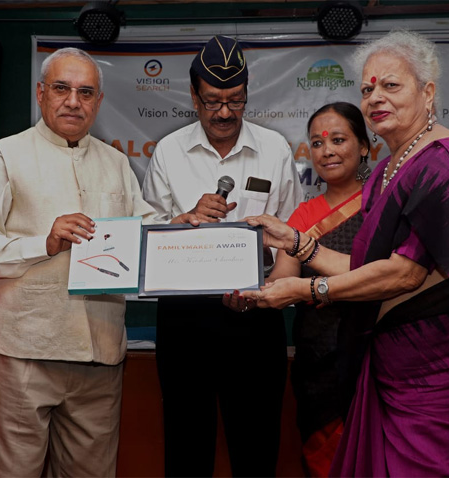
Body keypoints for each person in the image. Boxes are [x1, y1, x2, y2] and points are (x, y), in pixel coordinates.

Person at [243, 30, 449, 477]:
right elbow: (364, 268)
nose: (375, 97)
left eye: (391, 85)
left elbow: (404, 274)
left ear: (427, 92)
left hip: (436, 366)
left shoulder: (445, 161)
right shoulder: (388, 171)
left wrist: (308, 289)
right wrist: (293, 241)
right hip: (390, 359)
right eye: (367, 88)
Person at [0, 47, 196, 477]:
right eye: (61, 89)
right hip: (24, 353)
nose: (73, 101)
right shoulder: (6, 155)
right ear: (40, 93)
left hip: (100, 356)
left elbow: (146, 234)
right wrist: (44, 243)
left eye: (86, 92)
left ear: (98, 102)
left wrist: (183, 228)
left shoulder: (115, 162)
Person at [142, 35, 304, 477]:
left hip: (256, 315)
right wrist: (183, 221)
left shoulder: (274, 149)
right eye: (213, 101)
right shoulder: (169, 151)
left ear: (248, 94)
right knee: (186, 448)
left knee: (256, 449)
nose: (226, 113)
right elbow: (147, 239)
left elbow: (292, 237)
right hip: (184, 318)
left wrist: (269, 290)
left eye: (235, 100)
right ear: (194, 97)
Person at [225, 101, 370, 477]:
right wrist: (248, 296)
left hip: (372, 358)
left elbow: (380, 275)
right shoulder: (304, 214)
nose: (327, 151)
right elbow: (280, 281)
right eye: (317, 143)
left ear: (364, 146)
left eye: (338, 140)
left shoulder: (382, 206)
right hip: (318, 366)